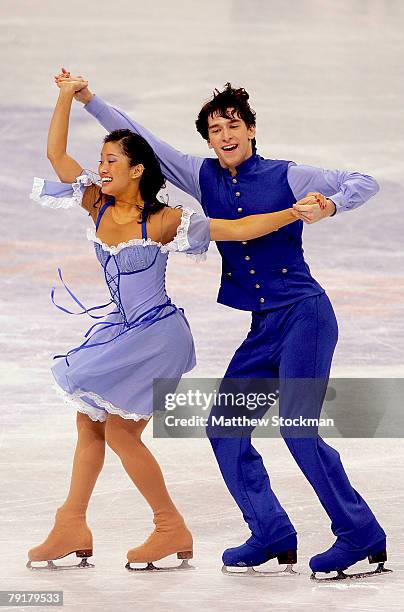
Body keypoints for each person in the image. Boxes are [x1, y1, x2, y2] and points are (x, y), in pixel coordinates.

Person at [60, 71, 388, 579]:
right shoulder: (201, 175)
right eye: (215, 130)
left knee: (298, 429)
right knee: (225, 427)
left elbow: (363, 181)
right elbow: (139, 134)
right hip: (263, 326)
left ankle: (359, 534)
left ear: (251, 130)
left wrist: (330, 205)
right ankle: (272, 532)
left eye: (233, 125)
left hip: (306, 315)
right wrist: (88, 99)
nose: (225, 135)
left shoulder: (287, 174)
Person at [27, 76, 304, 571]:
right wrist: (67, 95)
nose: (101, 168)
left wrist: (292, 212)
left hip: (157, 337)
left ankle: (169, 526)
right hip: (122, 331)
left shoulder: (162, 220)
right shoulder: (97, 204)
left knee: (120, 433)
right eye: (101, 160)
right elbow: (56, 155)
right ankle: (71, 522)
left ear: (137, 170)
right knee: (89, 421)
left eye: (112, 161)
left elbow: (237, 228)